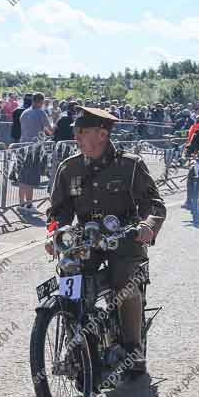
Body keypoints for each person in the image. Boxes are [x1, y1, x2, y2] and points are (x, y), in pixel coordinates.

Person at [45, 106, 166, 375]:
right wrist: (55, 234)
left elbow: (154, 204)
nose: (75, 136)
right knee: (69, 276)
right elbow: (57, 211)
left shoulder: (129, 165)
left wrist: (147, 225)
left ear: (102, 134)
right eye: (76, 132)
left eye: (82, 132)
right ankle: (74, 345)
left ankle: (133, 349)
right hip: (85, 240)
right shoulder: (70, 168)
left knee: (124, 280)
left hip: (124, 239)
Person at [17, 92, 54, 214]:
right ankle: (28, 205)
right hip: (34, 148)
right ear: (41, 102)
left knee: (23, 176)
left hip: (22, 146)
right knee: (31, 177)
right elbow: (49, 131)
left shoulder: (24, 112)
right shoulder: (40, 112)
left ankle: (22, 203)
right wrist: (55, 122)